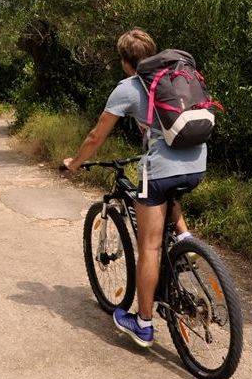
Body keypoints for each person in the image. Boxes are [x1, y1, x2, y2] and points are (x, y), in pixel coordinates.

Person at [63, 29, 206, 348]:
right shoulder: (176, 77)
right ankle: (187, 241)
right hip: (197, 164)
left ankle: (143, 325)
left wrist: (74, 163)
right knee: (169, 194)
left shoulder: (128, 87)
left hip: (161, 171)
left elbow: (95, 137)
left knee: (150, 247)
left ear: (125, 62)